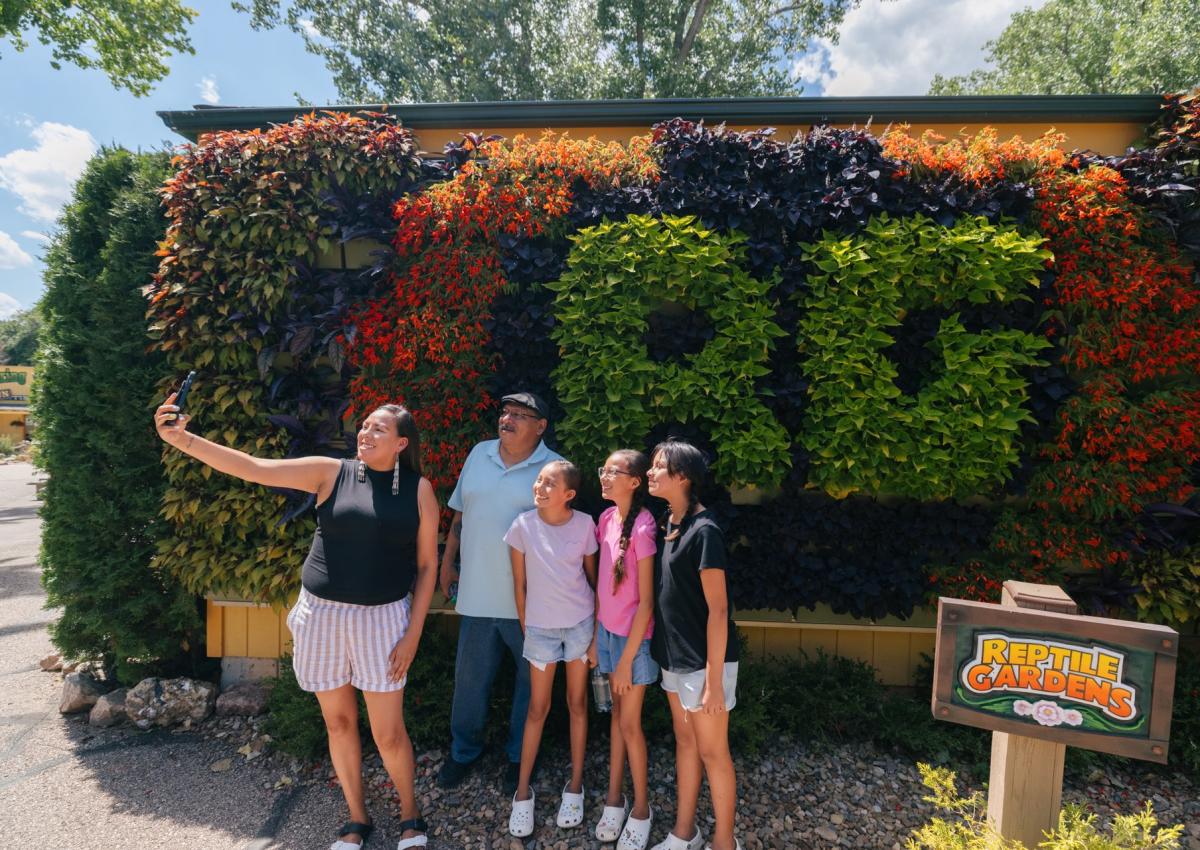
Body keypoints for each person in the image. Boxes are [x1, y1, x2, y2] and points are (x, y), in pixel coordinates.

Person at [154, 393, 437, 850]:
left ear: (402, 443)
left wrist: (413, 633)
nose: (365, 432)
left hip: (383, 620)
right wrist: (180, 438)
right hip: (321, 617)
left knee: (388, 731)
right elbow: (253, 467)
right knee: (339, 724)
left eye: (378, 429)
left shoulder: (419, 491)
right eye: (364, 425)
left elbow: (427, 567)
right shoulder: (332, 473)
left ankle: (410, 816)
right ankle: (357, 820)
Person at [437, 391, 563, 793]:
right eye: (505, 412)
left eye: (519, 415)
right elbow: (461, 512)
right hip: (475, 595)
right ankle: (463, 753)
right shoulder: (479, 453)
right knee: (469, 684)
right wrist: (447, 561)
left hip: (532, 604)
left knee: (530, 690)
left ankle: (519, 758)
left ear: (540, 426)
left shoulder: (555, 468)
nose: (506, 420)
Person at [646, 441, 741, 850]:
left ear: (682, 476)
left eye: (658, 467)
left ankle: (724, 842)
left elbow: (719, 611)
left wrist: (715, 682)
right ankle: (684, 833)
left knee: (713, 753)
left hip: (706, 665)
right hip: (673, 658)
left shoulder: (705, 532)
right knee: (685, 743)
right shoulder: (668, 522)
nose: (650, 473)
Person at [504, 460, 599, 837]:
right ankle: (522, 793)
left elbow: (594, 580)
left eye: (550, 484)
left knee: (577, 704)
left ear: (569, 494)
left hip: (579, 626)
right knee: (537, 709)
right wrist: (530, 628)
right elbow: (520, 585)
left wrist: (594, 637)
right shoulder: (522, 526)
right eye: (539, 481)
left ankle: (575, 786)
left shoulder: (586, 524)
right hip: (541, 631)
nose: (540, 488)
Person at [593, 450, 659, 850]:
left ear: (634, 481)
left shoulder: (645, 527)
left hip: (634, 641)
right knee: (615, 718)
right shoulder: (605, 519)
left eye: (611, 472)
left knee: (630, 724)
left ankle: (642, 809)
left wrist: (627, 659)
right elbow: (604, 586)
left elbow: (647, 602)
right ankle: (614, 799)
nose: (603, 476)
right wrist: (596, 640)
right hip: (606, 635)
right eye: (603, 470)